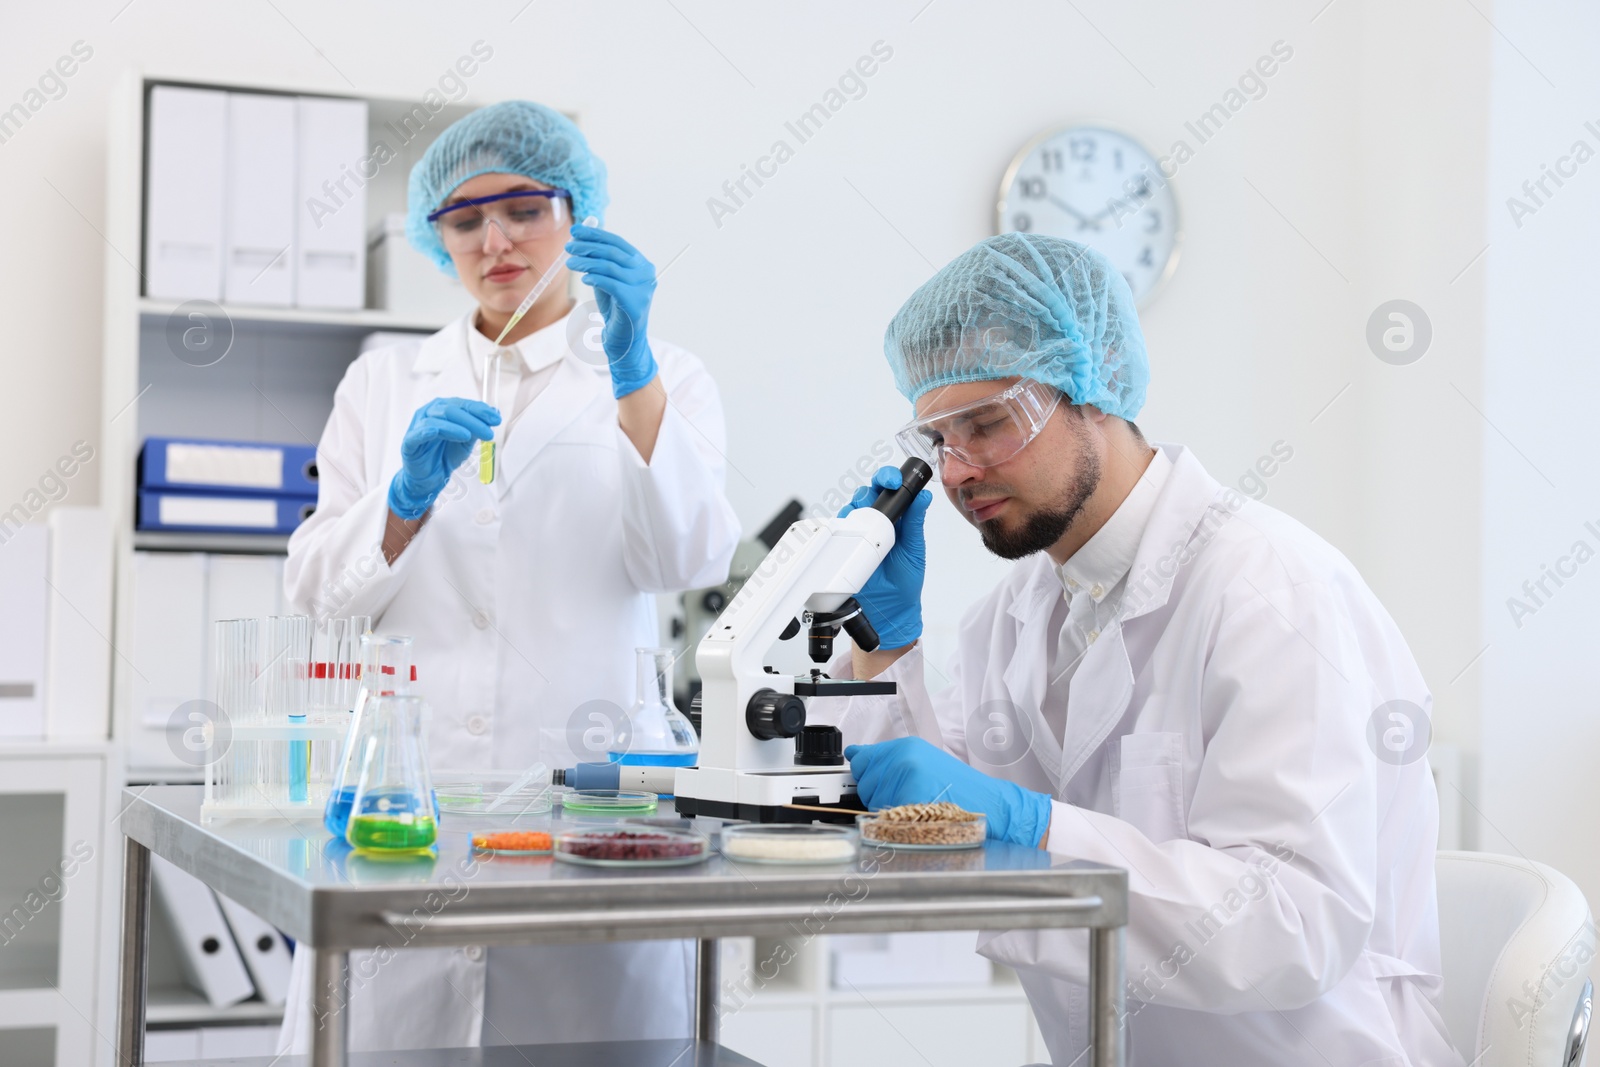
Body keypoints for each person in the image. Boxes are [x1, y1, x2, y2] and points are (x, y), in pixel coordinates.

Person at [825, 234, 1463, 1065]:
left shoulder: (1269, 589)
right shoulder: (1010, 618)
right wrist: (889, 645)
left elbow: (1294, 925)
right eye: (939, 439)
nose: (956, 472)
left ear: (1095, 383)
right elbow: (933, 841)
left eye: (987, 424)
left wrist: (1034, 825)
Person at [277, 101, 739, 1053]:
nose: (495, 241)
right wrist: (403, 499)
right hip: (410, 803)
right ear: (435, 238)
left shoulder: (667, 376)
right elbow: (317, 595)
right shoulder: (384, 382)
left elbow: (687, 557)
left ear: (580, 213)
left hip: (594, 809)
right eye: (464, 220)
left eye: (524, 208)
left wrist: (633, 365)